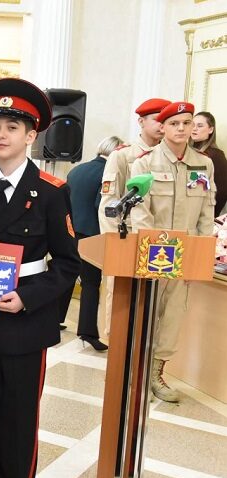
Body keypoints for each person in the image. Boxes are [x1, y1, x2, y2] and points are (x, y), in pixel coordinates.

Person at [0, 78, 81, 478]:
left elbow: (68, 263)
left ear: (31, 136)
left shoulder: (50, 192)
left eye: (12, 127)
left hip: (25, 322)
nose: (1, 135)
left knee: (19, 418)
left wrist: (26, 297)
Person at [129, 101, 215, 403]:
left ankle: (156, 373)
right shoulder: (145, 163)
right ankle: (135, 371)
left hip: (187, 254)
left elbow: (206, 210)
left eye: (187, 123)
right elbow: (139, 211)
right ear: (163, 127)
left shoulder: (203, 164)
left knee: (173, 317)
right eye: (174, 123)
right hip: (155, 254)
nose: (181, 128)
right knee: (145, 312)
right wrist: (151, 251)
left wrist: (201, 253)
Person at [97, 98, 170, 338]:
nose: (161, 125)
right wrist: (114, 244)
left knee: (153, 303)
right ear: (141, 122)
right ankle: (116, 343)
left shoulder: (167, 158)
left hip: (158, 241)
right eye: (156, 120)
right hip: (126, 237)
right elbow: (109, 203)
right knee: (120, 296)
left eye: (165, 120)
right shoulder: (123, 155)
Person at [66, 136, 125, 352]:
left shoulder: (76, 170)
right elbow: (103, 206)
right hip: (93, 233)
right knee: (91, 283)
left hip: (71, 231)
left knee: (67, 276)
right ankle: (88, 331)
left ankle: (55, 319)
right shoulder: (107, 173)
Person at [191, 111, 227, 214]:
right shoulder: (189, 152)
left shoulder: (215, 155)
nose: (194, 129)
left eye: (200, 126)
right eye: (192, 125)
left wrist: (208, 216)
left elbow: (221, 193)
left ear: (210, 129)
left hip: (204, 215)